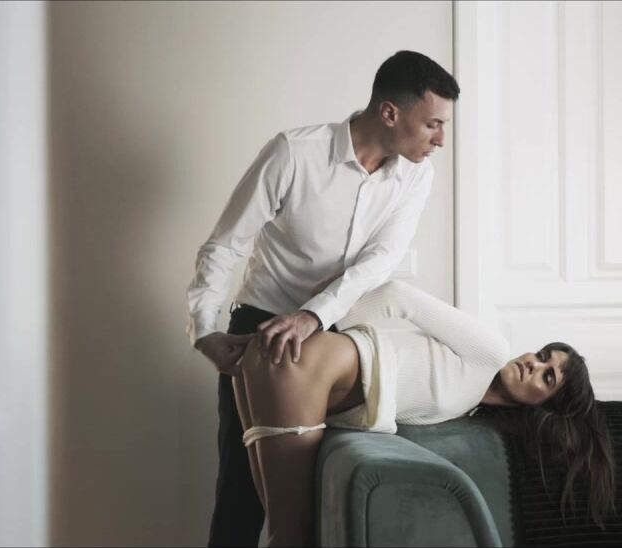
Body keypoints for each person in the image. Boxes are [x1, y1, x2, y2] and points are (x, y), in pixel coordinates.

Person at [185, 51, 458, 547]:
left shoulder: (418, 174)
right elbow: (225, 244)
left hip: (339, 339)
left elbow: (380, 259)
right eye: (432, 124)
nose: (441, 139)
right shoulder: (293, 153)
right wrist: (204, 330)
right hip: (260, 330)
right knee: (242, 494)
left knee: (327, 486)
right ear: (390, 112)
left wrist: (314, 316)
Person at [229, 280, 616, 546]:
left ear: (544, 406)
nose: (534, 363)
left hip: (279, 366)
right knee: (289, 537)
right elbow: (398, 295)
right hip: (313, 362)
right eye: (543, 355)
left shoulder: (472, 405)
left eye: (547, 377)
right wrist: (320, 328)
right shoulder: (491, 351)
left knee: (279, 531)